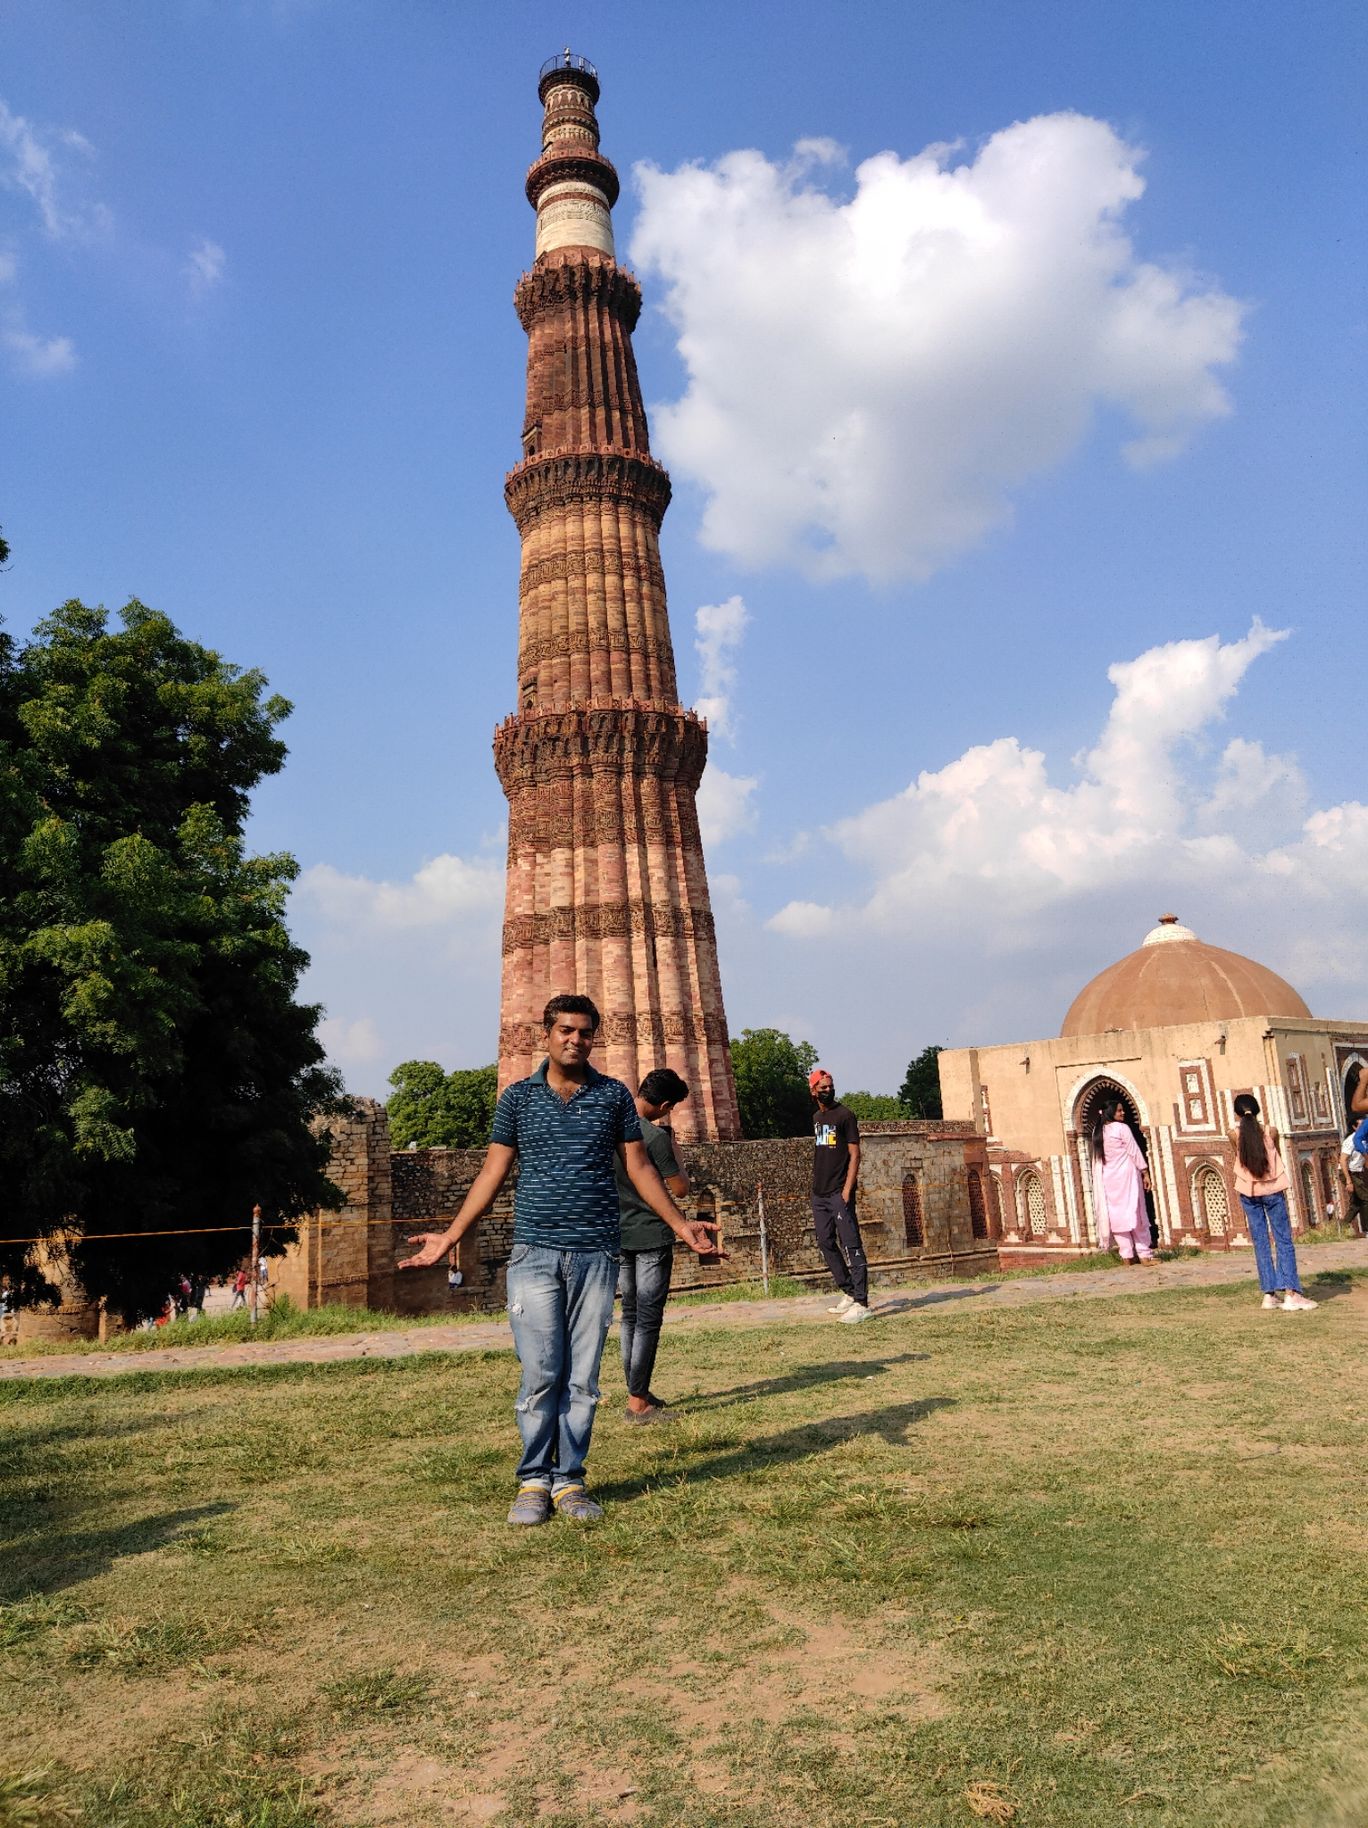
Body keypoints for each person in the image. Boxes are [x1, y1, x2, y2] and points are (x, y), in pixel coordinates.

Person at [400, 994, 718, 1525]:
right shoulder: (518, 1098)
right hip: (534, 1253)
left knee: (582, 1379)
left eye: (585, 1032)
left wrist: (681, 1225)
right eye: (566, 1030)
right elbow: (492, 1173)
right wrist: (451, 1235)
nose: (575, 1039)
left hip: (596, 1253)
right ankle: (532, 1481)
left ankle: (570, 1480)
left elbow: (639, 1170)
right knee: (541, 1373)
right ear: (545, 1034)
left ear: (594, 1038)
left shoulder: (613, 1096)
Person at [614, 1066, 692, 1423]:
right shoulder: (655, 1138)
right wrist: (672, 1142)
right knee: (647, 1319)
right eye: (671, 1107)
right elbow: (680, 1188)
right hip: (650, 1235)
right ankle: (638, 1402)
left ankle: (637, 1389)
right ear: (663, 1104)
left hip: (616, 1234)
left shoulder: (611, 1126)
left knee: (629, 1314)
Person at [1231, 1092, 1316, 1312]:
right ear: (1257, 1110)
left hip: (1249, 1191)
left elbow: (1240, 1157)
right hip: (1271, 1189)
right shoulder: (1271, 1131)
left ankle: (1269, 1294)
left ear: (1236, 1113)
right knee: (1283, 1240)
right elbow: (1274, 1154)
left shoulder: (1233, 1135)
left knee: (1260, 1241)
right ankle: (1291, 1293)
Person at [809, 1068, 873, 1322]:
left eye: (830, 1086)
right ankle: (848, 1291)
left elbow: (855, 1154)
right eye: (822, 1087)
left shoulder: (845, 1115)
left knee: (851, 1243)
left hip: (839, 1192)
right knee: (825, 1241)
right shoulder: (816, 1117)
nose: (827, 1090)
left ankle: (862, 1301)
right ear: (813, 1091)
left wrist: (847, 1190)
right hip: (820, 1193)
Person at [1090, 1100, 1157, 1263]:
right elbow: (1133, 1150)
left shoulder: (1098, 1132)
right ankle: (1144, 1255)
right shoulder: (1122, 1128)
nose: (1123, 1113)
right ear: (1111, 1112)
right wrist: (1145, 1172)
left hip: (1109, 1179)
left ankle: (1127, 1256)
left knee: (1117, 1216)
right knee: (1137, 1213)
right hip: (1127, 1178)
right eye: (1119, 1111)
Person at [0, 1274, 18, 1348]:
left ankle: (12, 1343)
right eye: (5, 1280)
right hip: (2, 1314)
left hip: (11, 1314)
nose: (7, 1282)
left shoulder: (12, 1290)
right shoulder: (1, 1291)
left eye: (8, 1280)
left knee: (14, 1329)